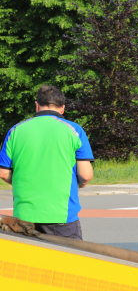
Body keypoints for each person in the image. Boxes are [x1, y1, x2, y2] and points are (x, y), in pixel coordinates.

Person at [0, 85, 94, 239]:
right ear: (62, 108)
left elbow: (3, 173)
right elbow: (85, 175)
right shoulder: (74, 130)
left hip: (24, 217)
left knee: (29, 262)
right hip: (61, 217)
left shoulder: (16, 130)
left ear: (37, 105)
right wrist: (80, 184)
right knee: (67, 262)